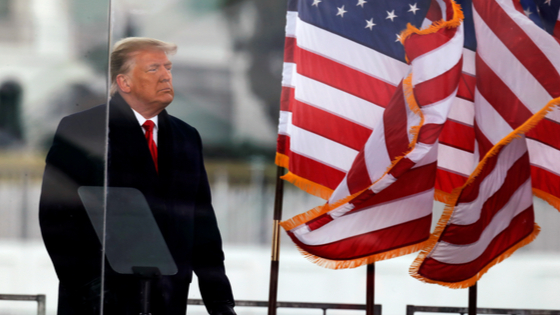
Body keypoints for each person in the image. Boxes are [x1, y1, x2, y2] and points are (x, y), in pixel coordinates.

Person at [39, 37, 236, 315]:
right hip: (99, 301)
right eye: (154, 69)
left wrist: (219, 302)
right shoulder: (83, 129)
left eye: (168, 68)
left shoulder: (187, 137)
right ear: (124, 82)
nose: (167, 75)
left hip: (167, 300)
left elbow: (202, 225)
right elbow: (57, 218)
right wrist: (91, 288)